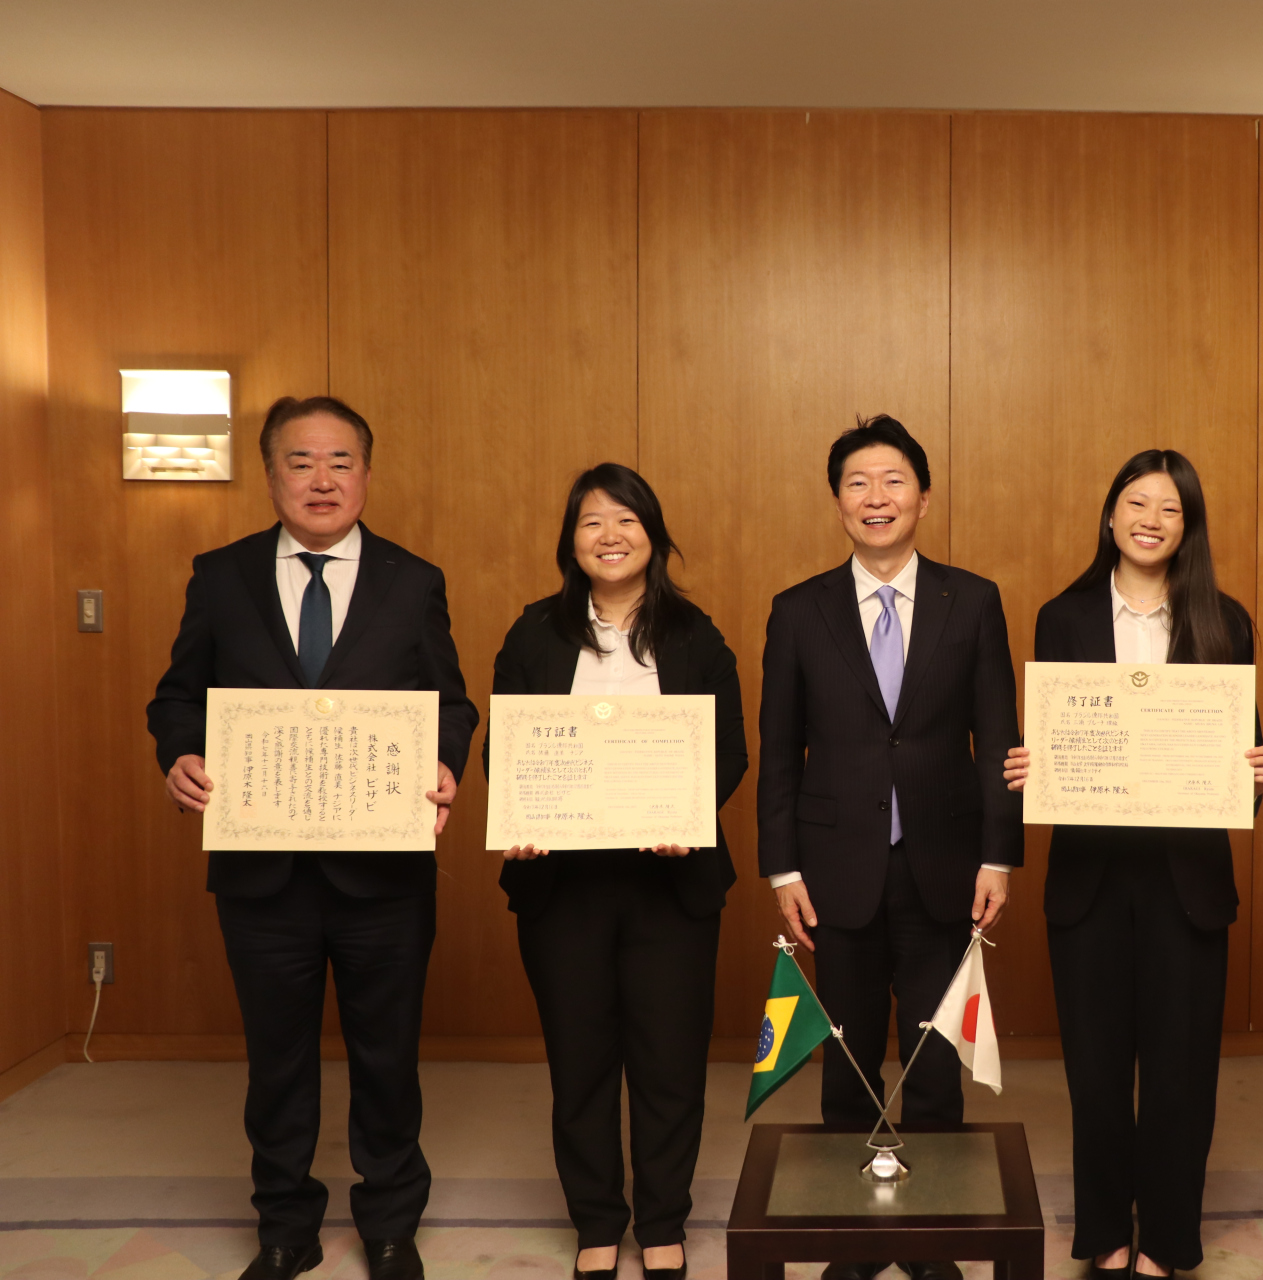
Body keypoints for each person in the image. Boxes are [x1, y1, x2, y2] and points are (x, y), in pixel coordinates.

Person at [148, 396, 478, 1280]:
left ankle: (390, 1225)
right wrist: (179, 753)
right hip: (261, 874)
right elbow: (177, 696)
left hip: (385, 874)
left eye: (341, 461)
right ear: (270, 475)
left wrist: (446, 761)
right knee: (277, 1063)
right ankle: (285, 1227)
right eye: (301, 461)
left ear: (367, 475)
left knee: (387, 1058)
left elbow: (450, 703)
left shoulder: (414, 580)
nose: (322, 479)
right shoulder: (221, 577)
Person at [757, 415, 1022, 1280]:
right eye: (858, 483)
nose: (877, 498)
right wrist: (783, 868)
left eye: (894, 481)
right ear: (838, 501)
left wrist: (999, 856)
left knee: (935, 1063)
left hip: (946, 865)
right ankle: (853, 1242)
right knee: (846, 1061)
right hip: (835, 871)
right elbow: (778, 750)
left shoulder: (971, 600)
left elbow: (998, 735)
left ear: (924, 497)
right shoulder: (798, 610)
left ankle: (933, 1240)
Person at [1001, 450, 1263, 1280]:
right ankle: (1105, 1234)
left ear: (1189, 527)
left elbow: (1242, 760)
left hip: (1187, 882)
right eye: (1137, 503)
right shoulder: (1063, 616)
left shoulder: (1224, 621)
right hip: (1089, 879)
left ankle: (1166, 1241)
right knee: (1095, 1074)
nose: (1151, 520)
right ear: (1111, 514)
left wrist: (1255, 772)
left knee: (1181, 1075)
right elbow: (1052, 739)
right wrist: (1032, 764)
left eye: (1170, 509)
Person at [486, 463, 748, 1280]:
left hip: (669, 888)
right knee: (580, 1064)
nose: (610, 536)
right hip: (562, 887)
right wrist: (521, 818)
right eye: (592, 522)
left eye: (627, 520)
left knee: (670, 1064)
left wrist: (685, 816)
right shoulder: (534, 633)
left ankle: (663, 1221)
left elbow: (729, 752)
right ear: (571, 542)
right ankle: (597, 1220)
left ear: (654, 537)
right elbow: (505, 750)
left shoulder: (696, 635)